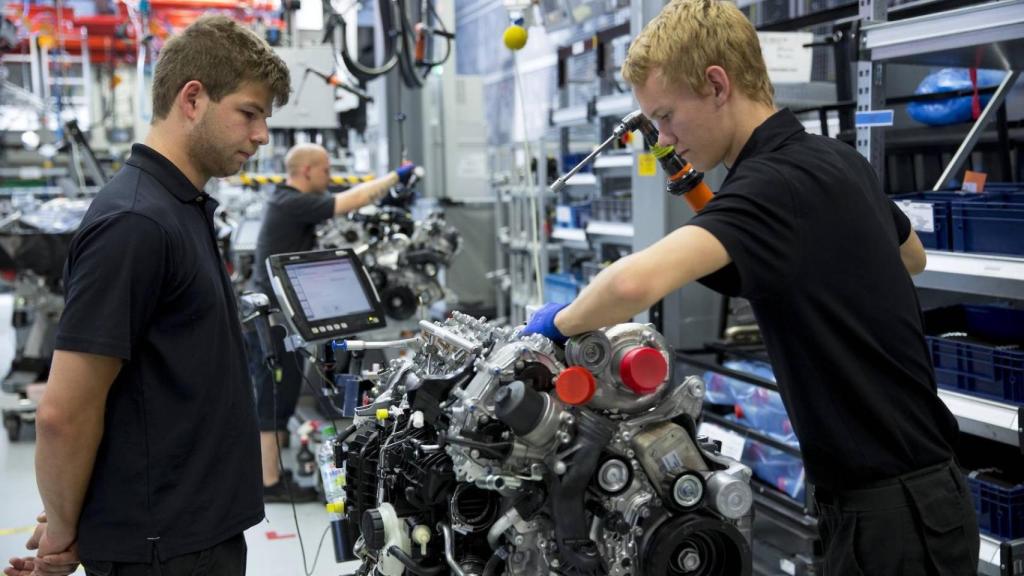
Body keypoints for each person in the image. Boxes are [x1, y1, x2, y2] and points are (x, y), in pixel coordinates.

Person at [523, 1, 980, 574]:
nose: (663, 136)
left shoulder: (774, 187)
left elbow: (633, 281)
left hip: (896, 518)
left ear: (717, 85)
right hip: (905, 495)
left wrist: (551, 327)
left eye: (665, 116)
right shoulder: (833, 161)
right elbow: (912, 255)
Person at [4, 15, 290, 576]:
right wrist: (64, 530)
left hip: (193, 531)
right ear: (193, 98)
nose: (261, 136)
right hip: (165, 549)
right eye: (249, 113)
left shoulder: (180, 206)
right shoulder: (136, 222)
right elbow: (65, 412)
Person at [247, 143, 415, 502]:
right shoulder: (291, 203)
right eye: (325, 170)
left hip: (284, 317)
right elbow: (347, 202)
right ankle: (269, 483)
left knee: (283, 397)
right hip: (274, 320)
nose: (330, 176)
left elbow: (350, 196)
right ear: (306, 171)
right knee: (274, 401)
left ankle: (271, 474)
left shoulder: (288, 200)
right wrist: (394, 177)